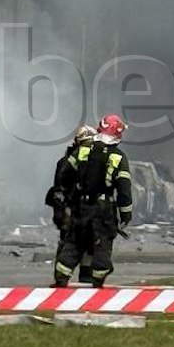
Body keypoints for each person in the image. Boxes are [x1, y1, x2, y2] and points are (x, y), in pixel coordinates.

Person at [52, 113, 133, 288]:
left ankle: (61, 277)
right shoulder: (119, 157)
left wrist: (68, 197)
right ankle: (98, 280)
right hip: (104, 209)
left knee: (75, 240)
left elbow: (64, 173)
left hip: (82, 206)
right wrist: (126, 214)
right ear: (118, 134)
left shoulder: (82, 150)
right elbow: (124, 191)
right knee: (102, 244)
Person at [45, 124, 97, 281]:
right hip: (72, 211)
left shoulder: (69, 161)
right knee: (71, 245)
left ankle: (75, 280)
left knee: (86, 246)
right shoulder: (69, 162)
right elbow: (60, 188)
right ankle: (65, 280)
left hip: (82, 211)